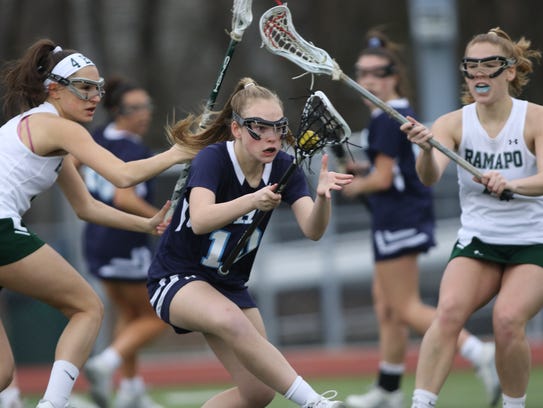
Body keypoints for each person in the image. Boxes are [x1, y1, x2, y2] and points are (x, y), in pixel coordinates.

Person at [0, 38, 194, 408]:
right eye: (85, 87)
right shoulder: (59, 127)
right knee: (87, 307)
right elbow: (122, 175)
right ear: (54, 90)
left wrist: (144, 224)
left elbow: (86, 207)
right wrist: (179, 152)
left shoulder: (46, 130)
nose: (94, 97)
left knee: (3, 374)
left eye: (98, 89)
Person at [147, 77, 353, 408]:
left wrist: (322, 197)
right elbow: (200, 220)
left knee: (258, 393)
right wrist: (252, 200)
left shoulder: (284, 167)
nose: (271, 136)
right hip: (178, 276)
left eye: (278, 127)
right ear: (236, 129)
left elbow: (312, 230)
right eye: (259, 127)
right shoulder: (212, 159)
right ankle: (316, 403)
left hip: (228, 284)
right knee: (232, 320)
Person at [339, 30, 500, 408]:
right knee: (386, 306)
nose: (368, 80)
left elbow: (381, 178)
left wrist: (353, 186)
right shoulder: (395, 111)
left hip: (398, 218)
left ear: (393, 74)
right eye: (362, 73)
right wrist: (365, 173)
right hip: (401, 215)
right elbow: (390, 169)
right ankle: (388, 389)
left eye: (377, 72)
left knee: (405, 306)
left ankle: (477, 350)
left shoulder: (383, 118)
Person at [401, 28, 543, 408]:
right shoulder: (452, 123)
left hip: (533, 242)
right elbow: (429, 177)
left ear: (510, 72)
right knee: (447, 313)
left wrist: (511, 184)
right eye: (471, 67)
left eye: (490, 66)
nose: (479, 74)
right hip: (480, 240)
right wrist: (425, 149)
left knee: (508, 319)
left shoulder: (535, 120)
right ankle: (421, 404)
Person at [79, 77, 166, 408]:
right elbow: (124, 197)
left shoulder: (96, 138)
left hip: (97, 239)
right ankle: (106, 363)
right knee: (157, 315)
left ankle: (130, 389)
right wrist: (158, 218)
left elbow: (69, 165)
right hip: (124, 240)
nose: (144, 114)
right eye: (135, 108)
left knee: (129, 314)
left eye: (147, 106)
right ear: (117, 111)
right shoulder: (132, 148)